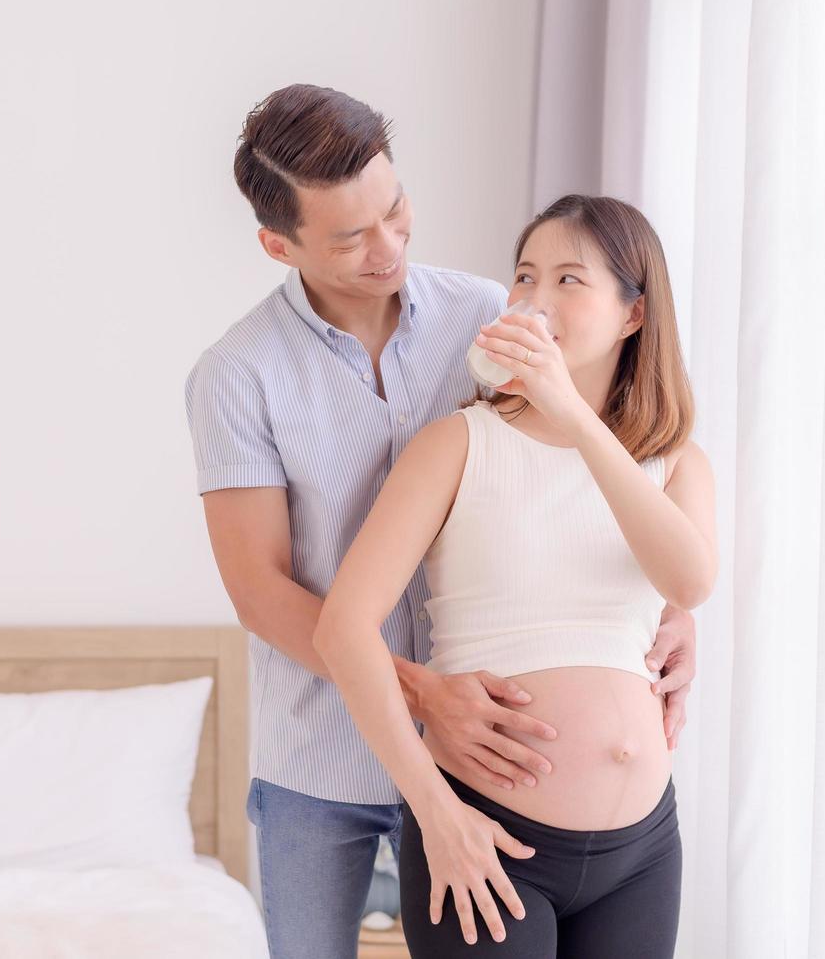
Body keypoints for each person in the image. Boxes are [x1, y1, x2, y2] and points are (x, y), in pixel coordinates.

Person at [184, 85, 700, 959]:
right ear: (280, 245)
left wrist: (668, 613)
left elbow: (575, 478)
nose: (386, 247)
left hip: (499, 765)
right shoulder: (238, 375)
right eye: (349, 237)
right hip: (327, 758)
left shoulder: (485, 312)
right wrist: (423, 693)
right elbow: (261, 590)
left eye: (394, 211)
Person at [314, 193, 716, 958]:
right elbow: (342, 629)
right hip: (484, 834)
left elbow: (689, 583)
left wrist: (577, 424)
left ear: (633, 315)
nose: (534, 299)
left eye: (569, 279)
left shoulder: (675, 463)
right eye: (524, 277)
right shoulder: (457, 444)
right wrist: (436, 814)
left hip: (642, 851)